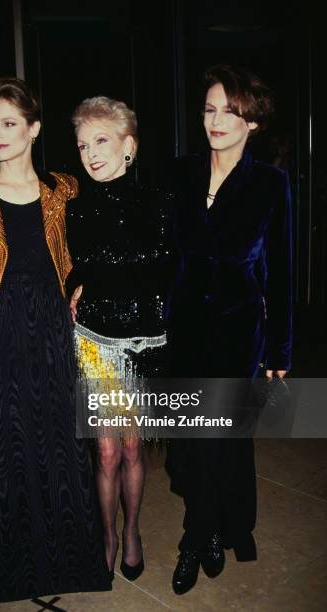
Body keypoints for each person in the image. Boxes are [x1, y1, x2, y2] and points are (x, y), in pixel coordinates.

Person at [0, 77, 111, 604]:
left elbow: (96, 255)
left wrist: (87, 291)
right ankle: (3, 578)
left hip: (55, 333)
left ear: (34, 129)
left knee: (58, 450)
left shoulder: (66, 190)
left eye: (10, 124)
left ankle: (66, 569)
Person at [166, 65, 292, 594]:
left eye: (231, 112)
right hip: (184, 331)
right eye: (210, 109)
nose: (217, 120)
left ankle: (197, 540)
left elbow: (280, 272)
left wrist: (280, 349)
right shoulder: (180, 173)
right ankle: (220, 523)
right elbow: (162, 254)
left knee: (215, 440)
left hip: (239, 334)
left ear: (253, 122)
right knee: (193, 445)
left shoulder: (270, 183)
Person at [66, 96, 173, 581]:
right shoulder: (76, 209)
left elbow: (163, 269)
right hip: (92, 339)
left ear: (128, 145)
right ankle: (107, 535)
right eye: (83, 143)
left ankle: (132, 531)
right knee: (105, 451)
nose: (90, 153)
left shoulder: (159, 201)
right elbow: (80, 269)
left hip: (141, 344)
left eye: (101, 140)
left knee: (132, 448)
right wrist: (76, 285)